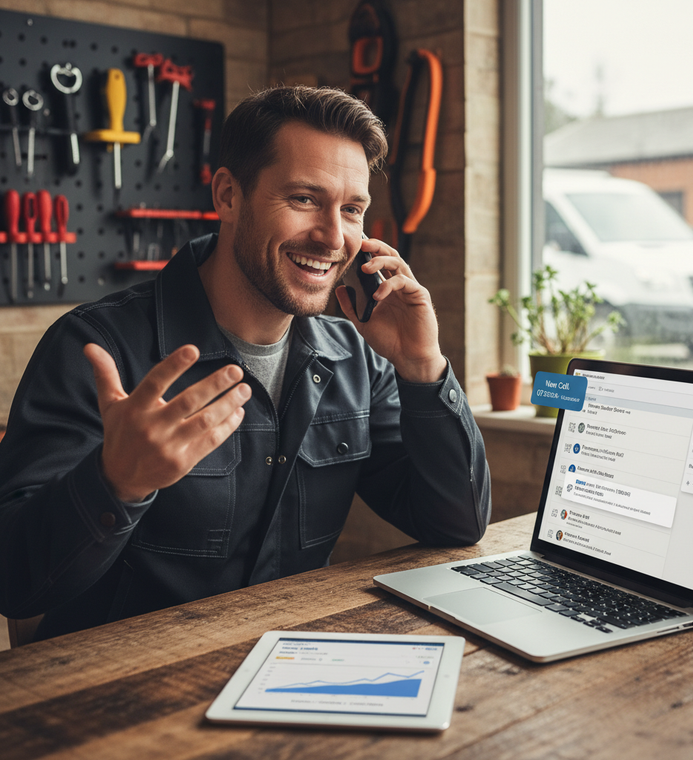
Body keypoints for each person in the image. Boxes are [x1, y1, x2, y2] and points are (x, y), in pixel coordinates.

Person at [0, 86, 491, 640]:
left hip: (293, 673)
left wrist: (424, 366)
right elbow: (15, 583)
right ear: (229, 196)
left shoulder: (355, 359)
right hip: (127, 698)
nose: (334, 237)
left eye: (352, 209)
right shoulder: (98, 349)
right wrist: (115, 483)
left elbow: (456, 526)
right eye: (304, 199)